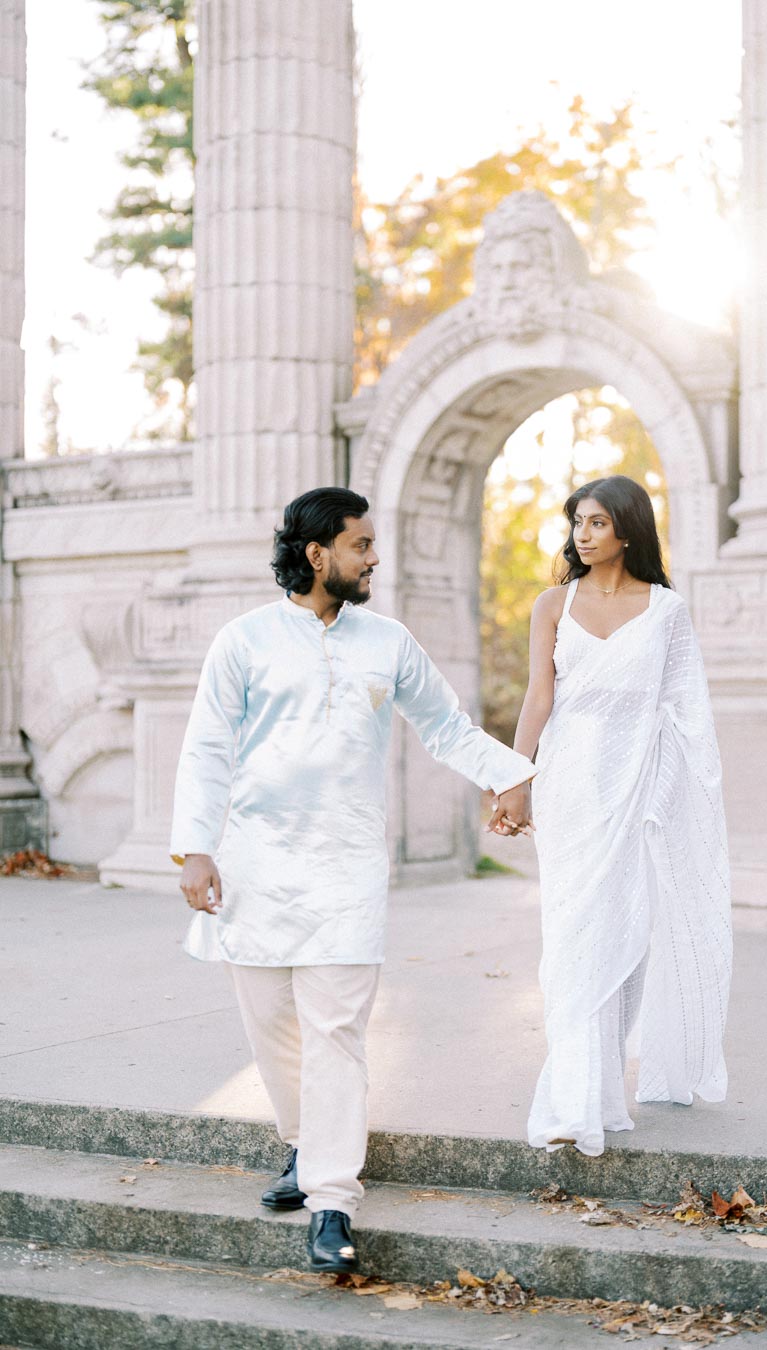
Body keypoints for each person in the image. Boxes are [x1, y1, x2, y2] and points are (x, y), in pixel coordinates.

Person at [171, 487, 536, 1272]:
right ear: (316, 555)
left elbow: (445, 725)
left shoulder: (388, 641)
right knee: (273, 1029)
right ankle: (304, 1148)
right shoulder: (244, 641)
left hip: (347, 867)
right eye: (361, 545)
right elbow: (206, 747)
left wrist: (509, 776)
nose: (374, 558)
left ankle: (332, 1200)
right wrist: (194, 849)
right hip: (256, 866)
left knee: (336, 1033)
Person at [491, 475, 731, 1157]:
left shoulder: (666, 611)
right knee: (572, 934)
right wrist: (514, 778)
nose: (582, 535)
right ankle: (574, 1098)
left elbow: (689, 712)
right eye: (577, 523)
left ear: (627, 530)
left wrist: (676, 798)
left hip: (637, 788)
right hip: (570, 785)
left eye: (596, 523)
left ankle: (601, 1091)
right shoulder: (552, 603)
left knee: (624, 929)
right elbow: (541, 696)